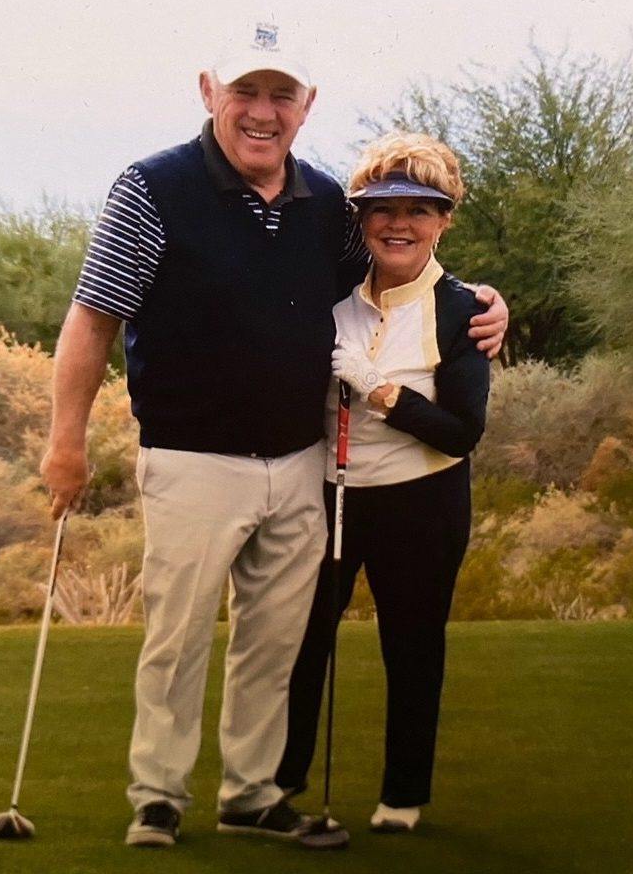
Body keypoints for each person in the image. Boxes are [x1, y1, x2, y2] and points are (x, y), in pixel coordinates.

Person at [39, 23, 508, 847]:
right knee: (177, 637)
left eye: (280, 96)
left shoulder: (327, 202)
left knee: (275, 642)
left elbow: (390, 272)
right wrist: (64, 443)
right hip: (191, 458)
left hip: (299, 462)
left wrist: (482, 302)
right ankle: (158, 795)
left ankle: (253, 795)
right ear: (209, 92)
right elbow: (93, 317)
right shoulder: (152, 187)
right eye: (245, 92)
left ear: (306, 107)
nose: (263, 112)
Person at [277, 132, 489, 833]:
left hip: (423, 498)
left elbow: (462, 432)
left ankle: (402, 795)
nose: (399, 224)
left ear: (444, 219)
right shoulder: (332, 296)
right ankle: (278, 784)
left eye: (419, 209)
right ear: (361, 220)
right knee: (302, 640)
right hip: (332, 491)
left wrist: (377, 390)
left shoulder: (463, 310)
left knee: (413, 641)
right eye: (381, 209)